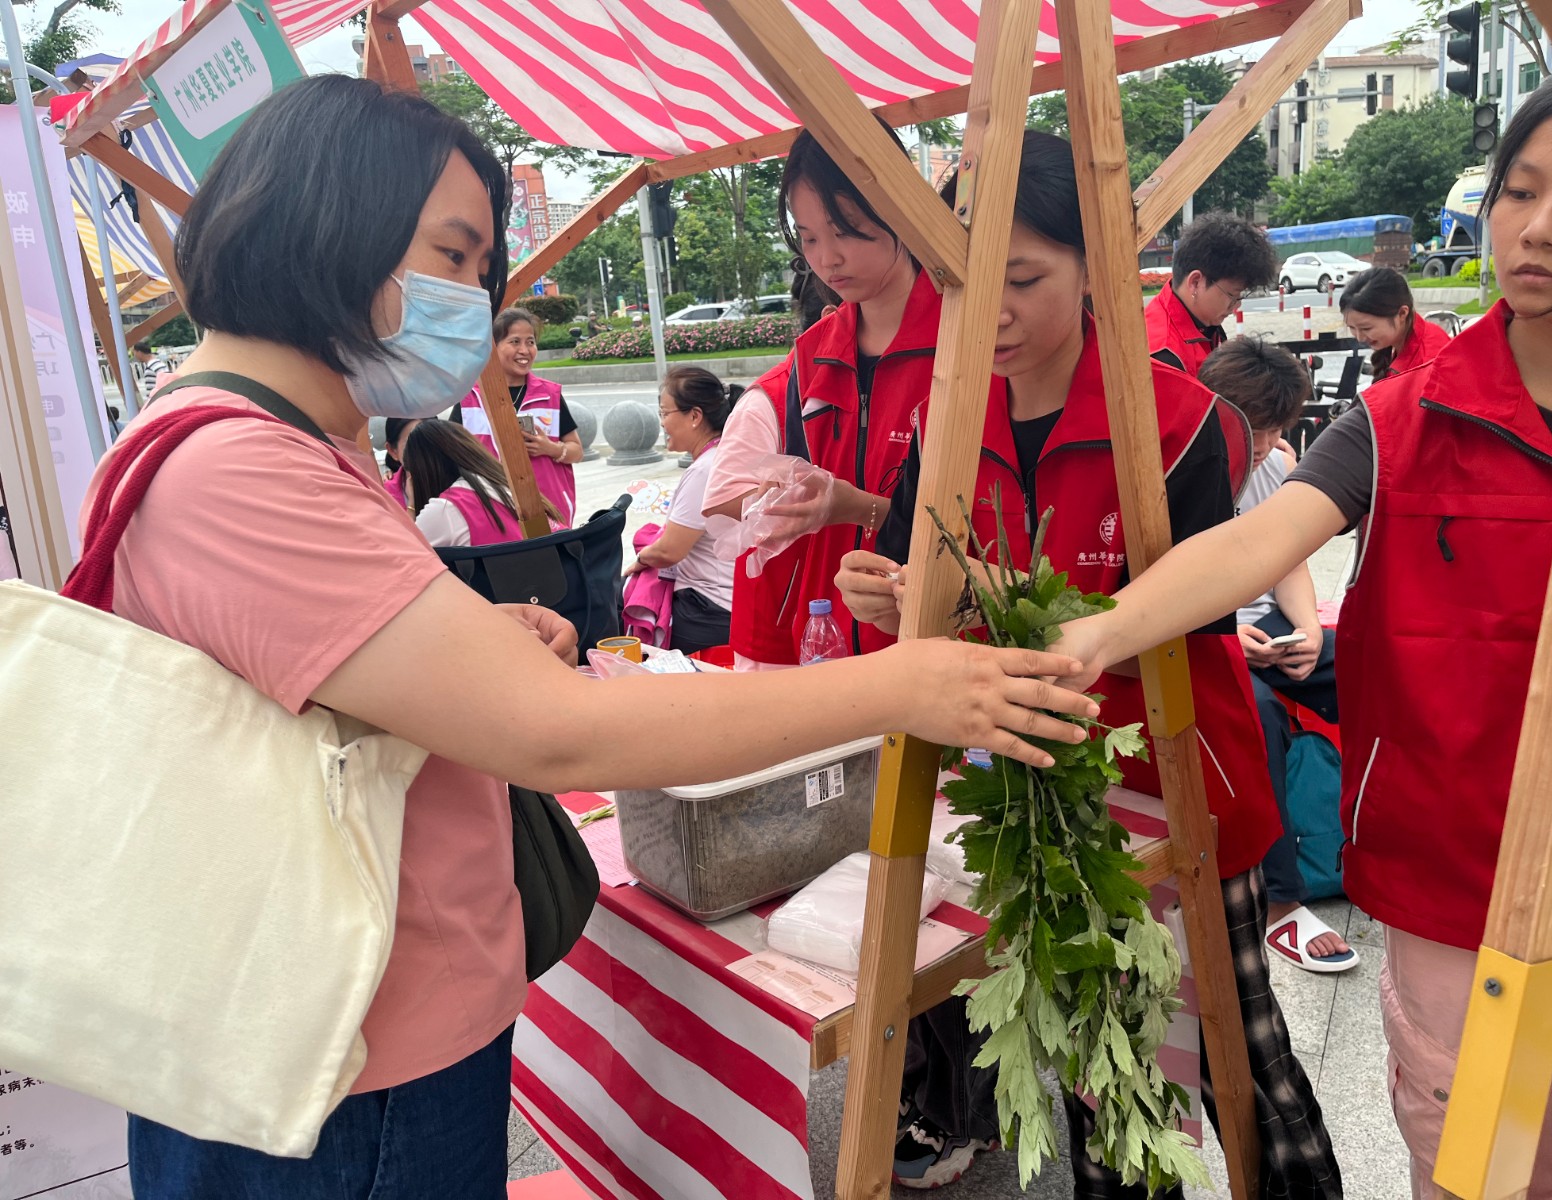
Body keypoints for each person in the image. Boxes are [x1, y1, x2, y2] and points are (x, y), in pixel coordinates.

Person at [97, 75, 1100, 1196]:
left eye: (481, 267)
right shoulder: (242, 467)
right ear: (326, 224)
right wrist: (900, 685)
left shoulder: (268, 442)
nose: (473, 300)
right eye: (454, 254)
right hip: (340, 1068)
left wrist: (467, 636)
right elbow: (561, 733)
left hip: (352, 1030)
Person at [1051, 73, 1552, 1198]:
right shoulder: (1405, 417)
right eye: (1519, 190)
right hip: (1458, 878)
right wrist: (1095, 635)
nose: (1541, 229)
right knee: (1484, 1172)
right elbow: (1251, 544)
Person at [838, 131, 1337, 1198]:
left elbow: (1196, 613)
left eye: (1023, 279)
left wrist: (1030, 605)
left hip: (1181, 790)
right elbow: (913, 585)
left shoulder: (1182, 424)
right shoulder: (944, 420)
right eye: (968, 284)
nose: (994, 312)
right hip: (1034, 805)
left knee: (1239, 1055)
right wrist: (884, 593)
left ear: (1094, 267)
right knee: (1099, 1075)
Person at [1198, 337, 1354, 973]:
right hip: (1203, 636)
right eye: (1252, 429)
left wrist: (1308, 628)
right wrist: (1227, 637)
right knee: (1253, 710)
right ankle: (1281, 902)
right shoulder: (1179, 472)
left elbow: (1286, 561)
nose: (1263, 446)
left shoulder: (1269, 470)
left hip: (1268, 626)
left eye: (1273, 431)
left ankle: (1387, 845)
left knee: (1372, 667)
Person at [774, 126, 941, 658]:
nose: (828, 259)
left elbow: (977, 525)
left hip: (926, 642)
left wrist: (860, 509)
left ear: (900, 209)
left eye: (845, 231)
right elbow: (801, 472)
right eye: (809, 238)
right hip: (824, 634)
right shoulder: (813, 353)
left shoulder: (965, 345)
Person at [702, 258, 841, 670]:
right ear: (831, 318)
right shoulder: (769, 399)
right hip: (780, 617)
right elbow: (719, 501)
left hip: (841, 608)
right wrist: (774, 499)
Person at [623, 367, 739, 655]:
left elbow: (669, 551)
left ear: (695, 416)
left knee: (619, 606)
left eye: (665, 413)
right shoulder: (725, 457)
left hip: (709, 608)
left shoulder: (705, 470)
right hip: (728, 602)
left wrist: (641, 559)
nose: (662, 423)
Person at [458, 308, 581, 525]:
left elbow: (577, 451)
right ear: (492, 347)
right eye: (515, 342)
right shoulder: (469, 398)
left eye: (530, 342)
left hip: (549, 511)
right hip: (490, 511)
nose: (524, 350)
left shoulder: (550, 394)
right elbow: (451, 454)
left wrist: (551, 448)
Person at [1145, 211, 1279, 377]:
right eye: (1232, 295)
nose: (1236, 306)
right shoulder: (1164, 356)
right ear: (1195, 282)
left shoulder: (1202, 321)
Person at [402, 417, 562, 547]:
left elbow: (406, 559)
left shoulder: (445, 509)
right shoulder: (504, 483)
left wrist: (412, 506)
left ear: (422, 471)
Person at [1339, 266, 1453, 380]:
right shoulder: (1399, 342)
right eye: (1351, 327)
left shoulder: (1428, 362)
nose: (1360, 338)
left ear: (1402, 313)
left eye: (1366, 328)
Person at [381, 416, 416, 507]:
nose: (424, 450)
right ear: (393, 451)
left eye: (429, 441)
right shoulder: (386, 497)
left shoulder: (451, 481)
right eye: (412, 444)